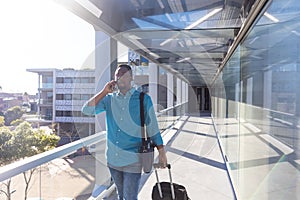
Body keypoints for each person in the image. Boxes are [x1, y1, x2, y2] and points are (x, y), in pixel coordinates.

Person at [82, 64, 167, 200]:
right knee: (121, 196)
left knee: (130, 197)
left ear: (131, 78)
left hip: (133, 158)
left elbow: (153, 128)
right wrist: (104, 92)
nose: (119, 77)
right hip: (113, 159)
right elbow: (86, 110)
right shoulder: (109, 100)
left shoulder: (143, 99)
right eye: (117, 75)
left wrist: (162, 153)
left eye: (123, 74)